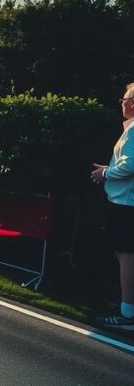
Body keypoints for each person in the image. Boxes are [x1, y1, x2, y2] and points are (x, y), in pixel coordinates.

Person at [91, 83, 134, 330]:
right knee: (123, 254)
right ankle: (127, 305)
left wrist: (105, 173)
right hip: (125, 201)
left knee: (127, 255)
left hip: (126, 201)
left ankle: (127, 314)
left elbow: (129, 165)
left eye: (124, 98)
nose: (121, 102)